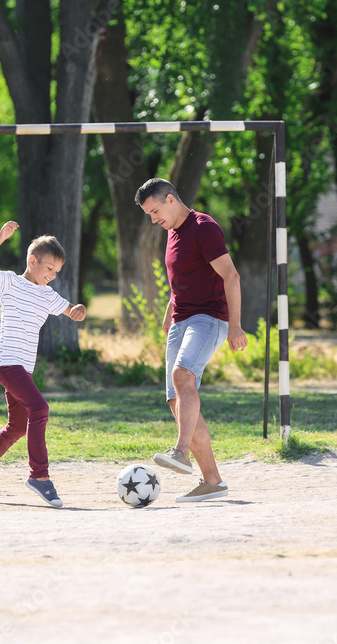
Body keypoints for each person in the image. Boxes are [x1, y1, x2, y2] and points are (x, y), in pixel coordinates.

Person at [134, 178, 248, 502]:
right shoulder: (172, 232)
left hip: (210, 317)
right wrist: (171, 309)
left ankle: (181, 452)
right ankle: (212, 481)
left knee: (183, 375)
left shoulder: (204, 228)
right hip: (181, 321)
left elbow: (231, 275)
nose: (154, 219)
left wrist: (236, 326)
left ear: (170, 199)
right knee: (176, 398)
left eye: (155, 211)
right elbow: (183, 277)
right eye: (149, 215)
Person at [0, 221, 86, 507]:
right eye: (49, 269)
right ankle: (39, 477)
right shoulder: (10, 282)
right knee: (40, 408)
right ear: (33, 261)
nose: (52, 276)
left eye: (57, 272)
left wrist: (80, 310)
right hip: (6, 361)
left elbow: (72, 311)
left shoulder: (47, 295)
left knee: (18, 426)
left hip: (23, 367)